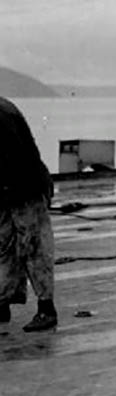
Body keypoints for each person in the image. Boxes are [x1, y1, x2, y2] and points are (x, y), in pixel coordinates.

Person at [0, 96, 58, 332]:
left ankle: (47, 309)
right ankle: (2, 303)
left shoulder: (2, 114)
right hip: (6, 192)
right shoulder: (5, 107)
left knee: (34, 248)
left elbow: (14, 158)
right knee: (4, 247)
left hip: (25, 189)